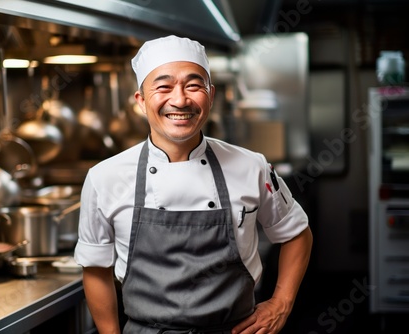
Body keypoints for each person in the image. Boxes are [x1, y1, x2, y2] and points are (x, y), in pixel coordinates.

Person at [75, 35, 313, 334]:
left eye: (193, 85)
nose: (180, 100)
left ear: (210, 95)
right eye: (163, 86)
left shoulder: (252, 165)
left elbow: (296, 234)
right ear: (141, 100)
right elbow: (96, 268)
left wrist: (281, 303)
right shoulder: (104, 177)